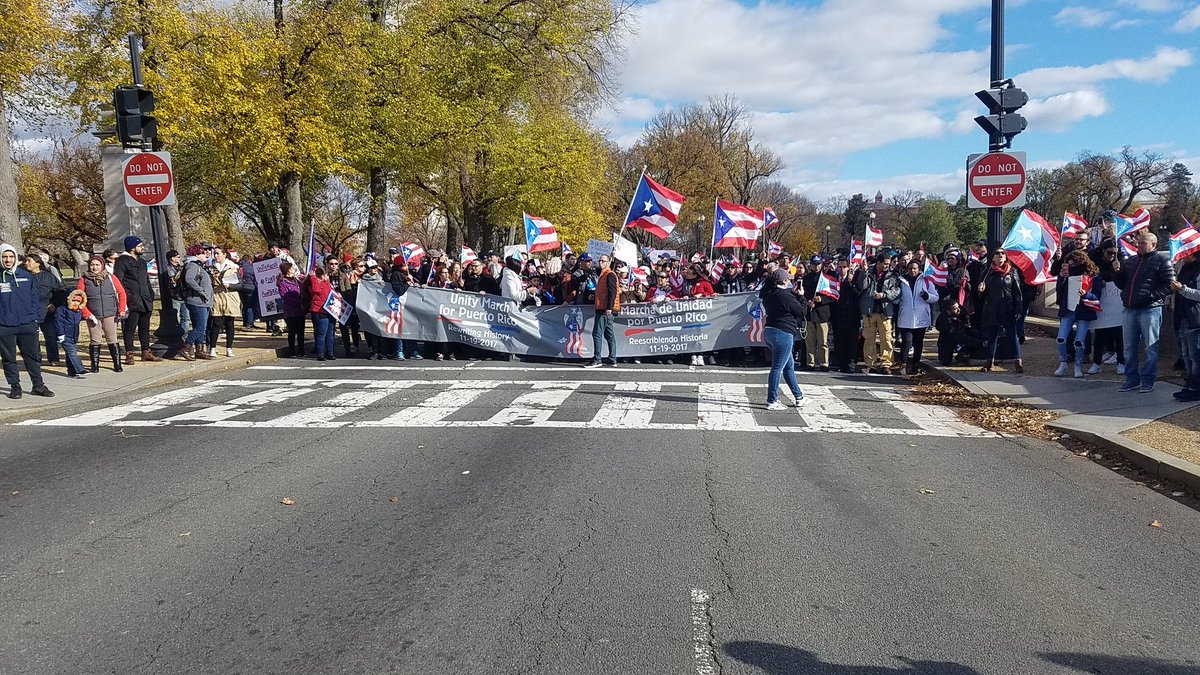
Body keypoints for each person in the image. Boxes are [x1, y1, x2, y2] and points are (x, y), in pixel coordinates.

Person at [1113, 231, 1176, 392]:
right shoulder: (1132, 261)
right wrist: (1117, 272)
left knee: (1150, 347)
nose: (1139, 246)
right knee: (1129, 347)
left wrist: (1150, 297)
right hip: (1130, 309)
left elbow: (1170, 285)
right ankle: (1131, 378)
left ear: (1153, 245)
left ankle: (1148, 380)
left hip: (1150, 309)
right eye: (1138, 243)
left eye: (1143, 243)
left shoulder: (1162, 260)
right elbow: (1122, 284)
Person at [0, 244, 54, 398]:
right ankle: (15, 386)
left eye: (11, 257)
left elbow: (34, 299)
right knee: (9, 358)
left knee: (33, 357)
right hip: (5, 325)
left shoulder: (26, 276)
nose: (8, 260)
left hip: (27, 324)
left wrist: (35, 318)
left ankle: (38, 385)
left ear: (16, 259)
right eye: (5, 257)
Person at [759, 268, 807, 410]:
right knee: (777, 368)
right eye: (788, 280)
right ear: (783, 281)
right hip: (783, 333)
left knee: (789, 366)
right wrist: (802, 297)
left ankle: (799, 397)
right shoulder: (784, 295)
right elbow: (801, 311)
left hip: (770, 331)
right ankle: (772, 400)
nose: (790, 282)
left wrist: (795, 297)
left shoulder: (769, 293)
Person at [1052, 250, 1103, 378]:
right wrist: (1062, 278)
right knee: (1060, 338)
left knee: (1079, 341)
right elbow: (1059, 292)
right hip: (1068, 311)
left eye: (1074, 265)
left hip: (1084, 310)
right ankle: (1063, 363)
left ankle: (1078, 366)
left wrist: (1086, 294)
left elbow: (1097, 296)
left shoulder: (1093, 277)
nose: (1072, 268)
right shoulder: (1066, 275)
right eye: (1069, 265)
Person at [112, 236, 162, 365]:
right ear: (132, 247)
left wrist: (150, 294)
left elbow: (146, 279)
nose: (142, 248)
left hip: (145, 299)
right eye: (140, 246)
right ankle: (129, 353)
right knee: (130, 328)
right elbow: (118, 280)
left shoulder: (141, 261)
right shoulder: (122, 261)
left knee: (144, 328)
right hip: (132, 300)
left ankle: (145, 351)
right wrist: (126, 297)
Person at [976, 247, 1024, 373]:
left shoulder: (1012, 271)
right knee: (992, 337)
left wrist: (1018, 309)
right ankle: (990, 361)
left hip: (1008, 308)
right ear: (993, 257)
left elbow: (1017, 293)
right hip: (992, 308)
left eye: (1003, 253)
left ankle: (1018, 361)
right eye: (997, 253)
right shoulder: (987, 272)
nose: (1000, 255)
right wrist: (981, 290)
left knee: (1012, 335)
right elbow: (981, 293)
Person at [77, 254, 128, 372]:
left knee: (112, 339)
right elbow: (79, 297)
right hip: (93, 315)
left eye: (97, 265)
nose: (94, 267)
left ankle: (117, 364)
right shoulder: (84, 279)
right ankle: (94, 365)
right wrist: (86, 313)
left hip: (110, 313)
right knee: (95, 340)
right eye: (92, 265)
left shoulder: (111, 277)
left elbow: (121, 293)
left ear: (102, 265)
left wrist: (121, 309)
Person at [855, 254, 900, 374]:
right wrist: (864, 272)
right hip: (869, 310)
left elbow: (897, 291)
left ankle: (886, 363)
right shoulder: (868, 272)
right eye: (884, 263)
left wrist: (884, 295)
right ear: (878, 263)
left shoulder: (893, 275)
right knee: (869, 339)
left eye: (888, 263)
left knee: (887, 338)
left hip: (885, 311)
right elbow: (861, 286)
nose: (887, 266)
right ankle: (871, 364)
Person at [895, 260, 938, 375]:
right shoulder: (901, 280)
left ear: (919, 269)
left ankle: (915, 365)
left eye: (915, 268)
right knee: (906, 341)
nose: (912, 271)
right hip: (905, 316)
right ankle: (903, 365)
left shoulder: (926, 280)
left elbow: (935, 297)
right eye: (910, 268)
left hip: (921, 317)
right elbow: (896, 296)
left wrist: (926, 296)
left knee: (918, 343)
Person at [22, 252, 63, 367]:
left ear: (38, 263)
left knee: (50, 336)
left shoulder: (48, 277)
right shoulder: (23, 276)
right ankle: (36, 359)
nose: (26, 263)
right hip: (30, 312)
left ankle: (53, 359)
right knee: (32, 338)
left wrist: (54, 304)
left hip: (47, 311)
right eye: (26, 261)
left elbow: (60, 291)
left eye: (29, 261)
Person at [1172, 248, 1200, 401]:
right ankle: (1190, 382)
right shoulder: (1185, 267)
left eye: (1186, 252)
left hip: (1195, 316)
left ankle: (1196, 387)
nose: (1183, 255)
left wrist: (1183, 289)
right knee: (1186, 354)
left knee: (1196, 355)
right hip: (1182, 315)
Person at [584, 255, 619, 368]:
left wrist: (609, 307)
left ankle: (597, 358)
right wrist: (594, 296)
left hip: (604, 308)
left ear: (608, 262)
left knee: (597, 333)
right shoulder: (604, 275)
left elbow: (612, 292)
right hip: (604, 307)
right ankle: (612, 358)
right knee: (608, 333)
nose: (600, 262)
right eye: (599, 260)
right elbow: (604, 292)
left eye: (603, 261)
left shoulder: (609, 275)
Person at [180, 244, 214, 360]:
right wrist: (202, 291)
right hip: (197, 301)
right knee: (200, 327)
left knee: (200, 327)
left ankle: (200, 349)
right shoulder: (192, 265)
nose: (205, 254)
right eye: (203, 253)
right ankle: (185, 347)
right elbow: (189, 279)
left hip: (202, 301)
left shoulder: (200, 265)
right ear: (196, 254)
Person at [207, 247, 242, 357]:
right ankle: (212, 347)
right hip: (217, 296)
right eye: (214, 254)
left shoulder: (233, 267)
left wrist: (230, 285)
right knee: (216, 323)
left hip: (230, 296)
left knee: (229, 323)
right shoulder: (211, 268)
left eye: (218, 253)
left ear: (224, 255)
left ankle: (229, 348)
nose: (216, 256)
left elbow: (241, 285)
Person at [829, 258, 861, 373]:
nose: (842, 269)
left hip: (852, 317)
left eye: (844, 267)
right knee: (839, 342)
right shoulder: (834, 280)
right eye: (840, 267)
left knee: (851, 343)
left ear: (848, 268)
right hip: (838, 317)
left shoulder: (854, 279)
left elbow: (858, 295)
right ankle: (841, 364)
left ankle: (850, 365)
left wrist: (850, 283)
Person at [800, 257, 832, 371]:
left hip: (822, 314)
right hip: (809, 314)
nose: (816, 266)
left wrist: (822, 299)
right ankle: (811, 362)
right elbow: (801, 295)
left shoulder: (827, 279)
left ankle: (824, 363)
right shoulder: (806, 279)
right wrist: (806, 301)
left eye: (818, 264)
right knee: (810, 341)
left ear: (821, 265)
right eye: (814, 264)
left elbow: (832, 296)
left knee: (823, 341)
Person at [305, 265, 336, 362]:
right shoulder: (315, 283)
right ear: (321, 276)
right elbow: (315, 290)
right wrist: (313, 278)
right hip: (319, 310)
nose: (327, 276)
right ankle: (320, 353)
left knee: (330, 333)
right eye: (325, 275)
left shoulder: (327, 283)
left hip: (330, 310)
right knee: (321, 333)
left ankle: (330, 352)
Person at [55, 290, 88, 379]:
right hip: (65, 336)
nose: (76, 303)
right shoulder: (61, 310)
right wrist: (60, 334)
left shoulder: (77, 311)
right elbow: (59, 323)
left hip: (74, 335)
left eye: (78, 301)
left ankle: (71, 372)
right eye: (74, 301)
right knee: (72, 353)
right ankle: (80, 369)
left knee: (70, 354)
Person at [277, 261, 306, 358]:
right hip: (290, 311)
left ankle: (302, 350)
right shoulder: (282, 283)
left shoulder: (297, 281)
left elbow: (302, 292)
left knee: (301, 331)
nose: (294, 270)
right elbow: (285, 297)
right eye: (292, 268)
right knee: (292, 331)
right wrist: (298, 302)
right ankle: (292, 351)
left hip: (300, 311)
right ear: (288, 270)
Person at [163, 249, 191, 335]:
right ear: (172, 258)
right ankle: (177, 336)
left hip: (183, 295)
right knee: (176, 318)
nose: (179, 259)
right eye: (178, 257)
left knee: (186, 318)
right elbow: (172, 282)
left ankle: (184, 336)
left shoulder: (180, 267)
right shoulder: (168, 269)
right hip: (175, 296)